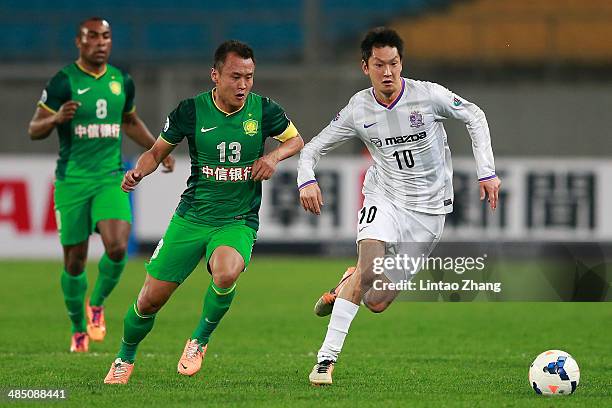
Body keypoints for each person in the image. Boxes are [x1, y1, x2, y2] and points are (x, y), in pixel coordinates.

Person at [297, 27, 501, 385]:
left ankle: (348, 281)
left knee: (376, 300)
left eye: (393, 63)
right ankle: (325, 362)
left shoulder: (428, 95)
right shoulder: (359, 108)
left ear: (401, 63)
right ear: (366, 67)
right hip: (384, 197)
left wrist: (487, 172)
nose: (387, 72)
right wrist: (306, 179)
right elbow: (312, 148)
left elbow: (475, 115)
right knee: (370, 266)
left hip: (429, 213)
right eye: (379, 65)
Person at [103, 40, 304, 384]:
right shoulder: (190, 111)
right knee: (150, 300)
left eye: (249, 77)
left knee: (226, 273)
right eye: (235, 76)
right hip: (192, 217)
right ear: (216, 75)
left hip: (237, 220)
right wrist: (138, 172)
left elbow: (295, 140)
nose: (243, 85)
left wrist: (272, 157)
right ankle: (125, 357)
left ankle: (198, 340)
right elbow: (155, 152)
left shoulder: (264, 110)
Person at [28, 17, 175, 353]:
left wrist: (157, 149)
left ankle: (96, 304)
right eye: (92, 37)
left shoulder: (120, 80)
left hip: (110, 177)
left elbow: (129, 121)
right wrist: (54, 118)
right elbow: (34, 128)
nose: (100, 42)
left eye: (106, 36)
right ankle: (78, 328)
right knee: (75, 261)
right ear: (79, 43)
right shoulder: (63, 81)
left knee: (118, 246)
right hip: (73, 181)